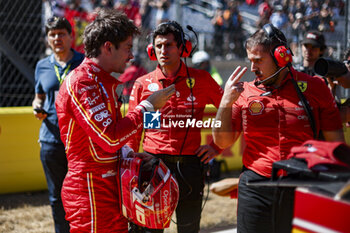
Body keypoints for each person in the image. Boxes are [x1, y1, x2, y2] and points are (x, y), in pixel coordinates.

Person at [213, 24, 344, 233]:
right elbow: (221, 142)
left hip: (302, 183)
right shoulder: (243, 92)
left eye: (258, 60)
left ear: (280, 57)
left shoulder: (315, 87)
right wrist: (225, 104)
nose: (252, 67)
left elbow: (336, 144)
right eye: (250, 60)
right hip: (255, 185)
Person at [55, 9, 175, 233]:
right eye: (128, 48)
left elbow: (112, 141)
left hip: (108, 188)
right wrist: (148, 106)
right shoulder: (82, 82)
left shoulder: (101, 82)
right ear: (108, 47)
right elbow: (109, 139)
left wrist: (129, 155)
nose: (131, 56)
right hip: (89, 191)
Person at [127, 21, 224, 233]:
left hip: (189, 167)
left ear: (183, 48)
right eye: (159, 45)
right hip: (152, 165)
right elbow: (133, 130)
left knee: (189, 229)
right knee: (148, 230)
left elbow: (231, 111)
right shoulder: (142, 84)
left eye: (169, 45)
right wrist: (130, 168)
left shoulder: (202, 80)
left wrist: (216, 147)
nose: (164, 50)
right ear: (152, 50)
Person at [32, 16, 84, 233]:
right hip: (51, 140)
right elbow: (39, 97)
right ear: (47, 39)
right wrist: (37, 107)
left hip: (78, 141)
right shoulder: (42, 66)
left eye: (61, 34)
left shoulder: (83, 62)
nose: (57, 38)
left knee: (81, 194)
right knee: (56, 196)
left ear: (71, 36)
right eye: (52, 35)